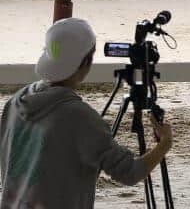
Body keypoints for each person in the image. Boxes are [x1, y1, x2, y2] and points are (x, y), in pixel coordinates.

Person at [0, 18, 173, 208]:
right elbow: (130, 173)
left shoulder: (15, 102)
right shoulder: (81, 118)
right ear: (87, 62)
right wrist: (164, 144)